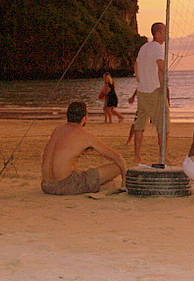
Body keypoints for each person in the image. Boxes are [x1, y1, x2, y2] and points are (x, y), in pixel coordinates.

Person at [40, 101, 127, 195]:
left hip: (46, 185)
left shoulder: (58, 129)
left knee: (107, 184)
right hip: (65, 185)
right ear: (84, 118)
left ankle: (105, 187)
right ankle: (121, 186)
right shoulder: (85, 135)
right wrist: (124, 183)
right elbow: (118, 157)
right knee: (118, 166)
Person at [132, 22, 169, 164]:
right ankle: (163, 157)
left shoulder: (144, 47)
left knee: (140, 124)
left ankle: (137, 156)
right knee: (163, 124)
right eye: (165, 32)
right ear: (158, 33)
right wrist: (162, 86)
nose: (167, 35)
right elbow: (161, 67)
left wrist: (140, 80)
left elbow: (136, 65)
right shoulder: (158, 48)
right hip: (154, 91)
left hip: (142, 90)